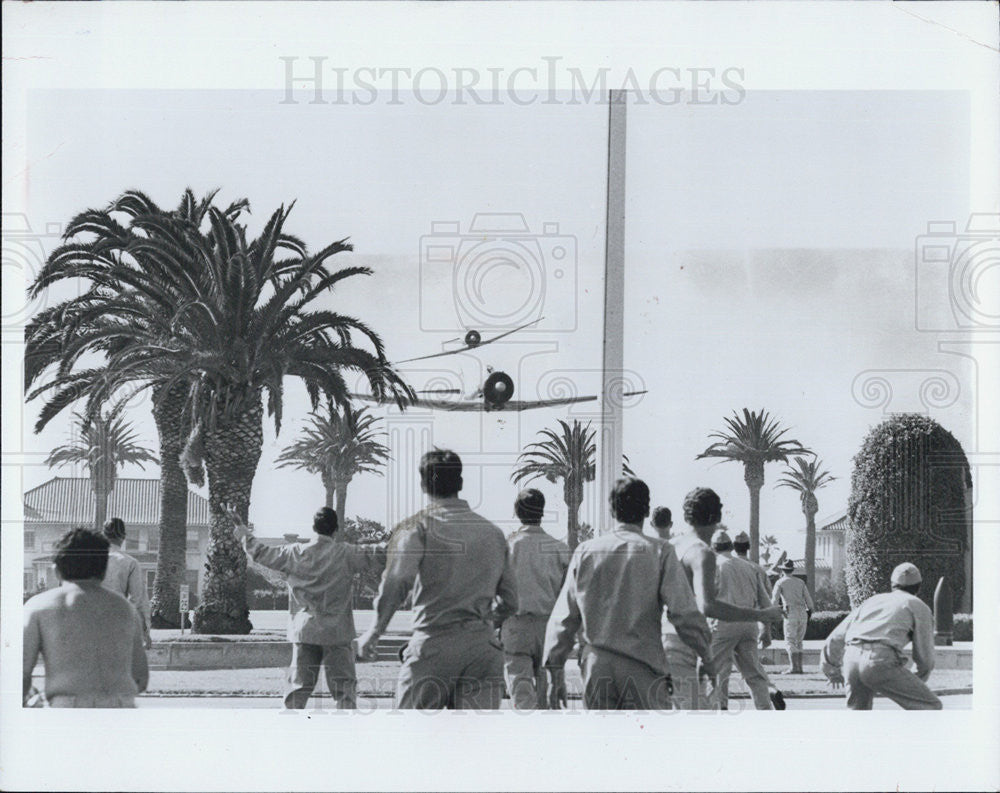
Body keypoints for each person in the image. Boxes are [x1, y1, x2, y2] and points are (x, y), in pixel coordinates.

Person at [356, 450, 518, 710]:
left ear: (423, 485)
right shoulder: (493, 533)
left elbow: (397, 582)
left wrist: (375, 631)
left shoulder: (417, 528)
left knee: (412, 738)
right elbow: (511, 600)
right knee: (476, 742)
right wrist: (483, 623)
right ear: (461, 484)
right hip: (483, 649)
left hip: (434, 645)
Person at [543, 478, 713, 710]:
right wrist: (707, 653)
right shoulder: (660, 551)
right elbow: (684, 614)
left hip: (597, 666)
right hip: (642, 665)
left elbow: (565, 617)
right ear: (645, 510)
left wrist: (555, 670)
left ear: (612, 509)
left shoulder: (586, 551)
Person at [232, 505, 384, 709]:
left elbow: (261, 553)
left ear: (313, 528)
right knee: (344, 692)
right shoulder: (346, 553)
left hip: (305, 631)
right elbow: (378, 552)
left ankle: (291, 734)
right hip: (337, 633)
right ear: (335, 530)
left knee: (298, 690)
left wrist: (243, 531)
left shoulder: (294, 553)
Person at [664, 488, 783, 709]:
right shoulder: (703, 553)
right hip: (687, 645)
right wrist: (762, 616)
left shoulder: (669, 547)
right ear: (717, 518)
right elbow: (708, 605)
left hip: (664, 640)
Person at [23, 528, 148, 708]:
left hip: (68, 708)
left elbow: (21, 673)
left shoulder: (39, 607)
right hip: (120, 709)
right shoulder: (126, 609)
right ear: (103, 570)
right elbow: (140, 678)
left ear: (56, 571)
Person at [821, 562, 942, 710]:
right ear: (918, 586)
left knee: (858, 716)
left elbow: (836, 637)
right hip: (879, 659)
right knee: (931, 706)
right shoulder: (918, 605)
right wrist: (917, 678)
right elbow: (925, 656)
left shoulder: (873, 601)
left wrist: (831, 670)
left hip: (851, 657)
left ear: (892, 585)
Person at [501, 488, 570, 709]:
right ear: (541, 512)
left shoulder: (507, 547)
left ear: (517, 512)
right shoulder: (559, 549)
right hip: (549, 627)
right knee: (547, 696)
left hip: (516, 625)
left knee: (521, 693)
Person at [708, 528, 773, 710]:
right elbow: (765, 603)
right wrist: (766, 630)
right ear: (731, 546)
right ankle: (765, 709)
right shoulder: (750, 567)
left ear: (713, 548)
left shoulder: (713, 566)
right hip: (749, 624)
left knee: (718, 671)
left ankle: (719, 710)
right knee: (754, 673)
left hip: (724, 624)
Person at [101, 517, 152, 649]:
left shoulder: (89, 559)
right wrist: (146, 632)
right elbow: (138, 599)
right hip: (118, 625)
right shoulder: (130, 563)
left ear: (103, 535)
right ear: (123, 537)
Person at [772, 559, 814, 673]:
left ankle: (793, 667)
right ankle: (799, 668)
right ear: (792, 570)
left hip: (790, 611)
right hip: (803, 612)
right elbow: (809, 602)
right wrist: (809, 612)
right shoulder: (800, 582)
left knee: (790, 640)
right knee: (799, 641)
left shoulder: (780, 582)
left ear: (782, 570)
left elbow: (774, 601)